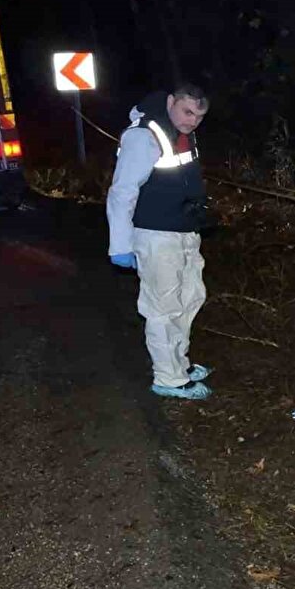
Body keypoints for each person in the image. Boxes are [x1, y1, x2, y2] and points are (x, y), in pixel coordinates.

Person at [106, 84, 215, 400]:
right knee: (163, 308)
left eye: (199, 116)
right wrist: (120, 245)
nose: (192, 121)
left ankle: (179, 364)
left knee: (190, 298)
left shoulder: (179, 133)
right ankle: (169, 378)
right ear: (170, 102)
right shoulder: (144, 136)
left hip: (184, 232)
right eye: (187, 111)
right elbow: (122, 192)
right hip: (155, 236)